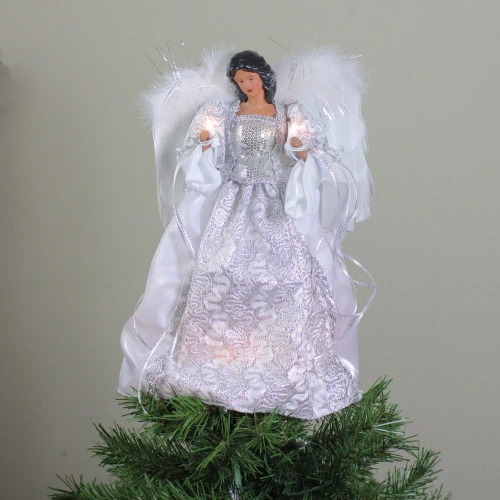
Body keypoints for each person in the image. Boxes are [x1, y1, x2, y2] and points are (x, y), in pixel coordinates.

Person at [118, 49, 373, 419]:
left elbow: (309, 148)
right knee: (217, 268)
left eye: (249, 79)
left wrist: (300, 148)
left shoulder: (288, 113)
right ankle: (210, 358)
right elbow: (203, 144)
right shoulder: (224, 113)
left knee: (288, 272)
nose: (245, 85)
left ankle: (281, 360)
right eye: (239, 81)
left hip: (274, 202)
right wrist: (206, 140)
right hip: (232, 199)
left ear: (262, 78)